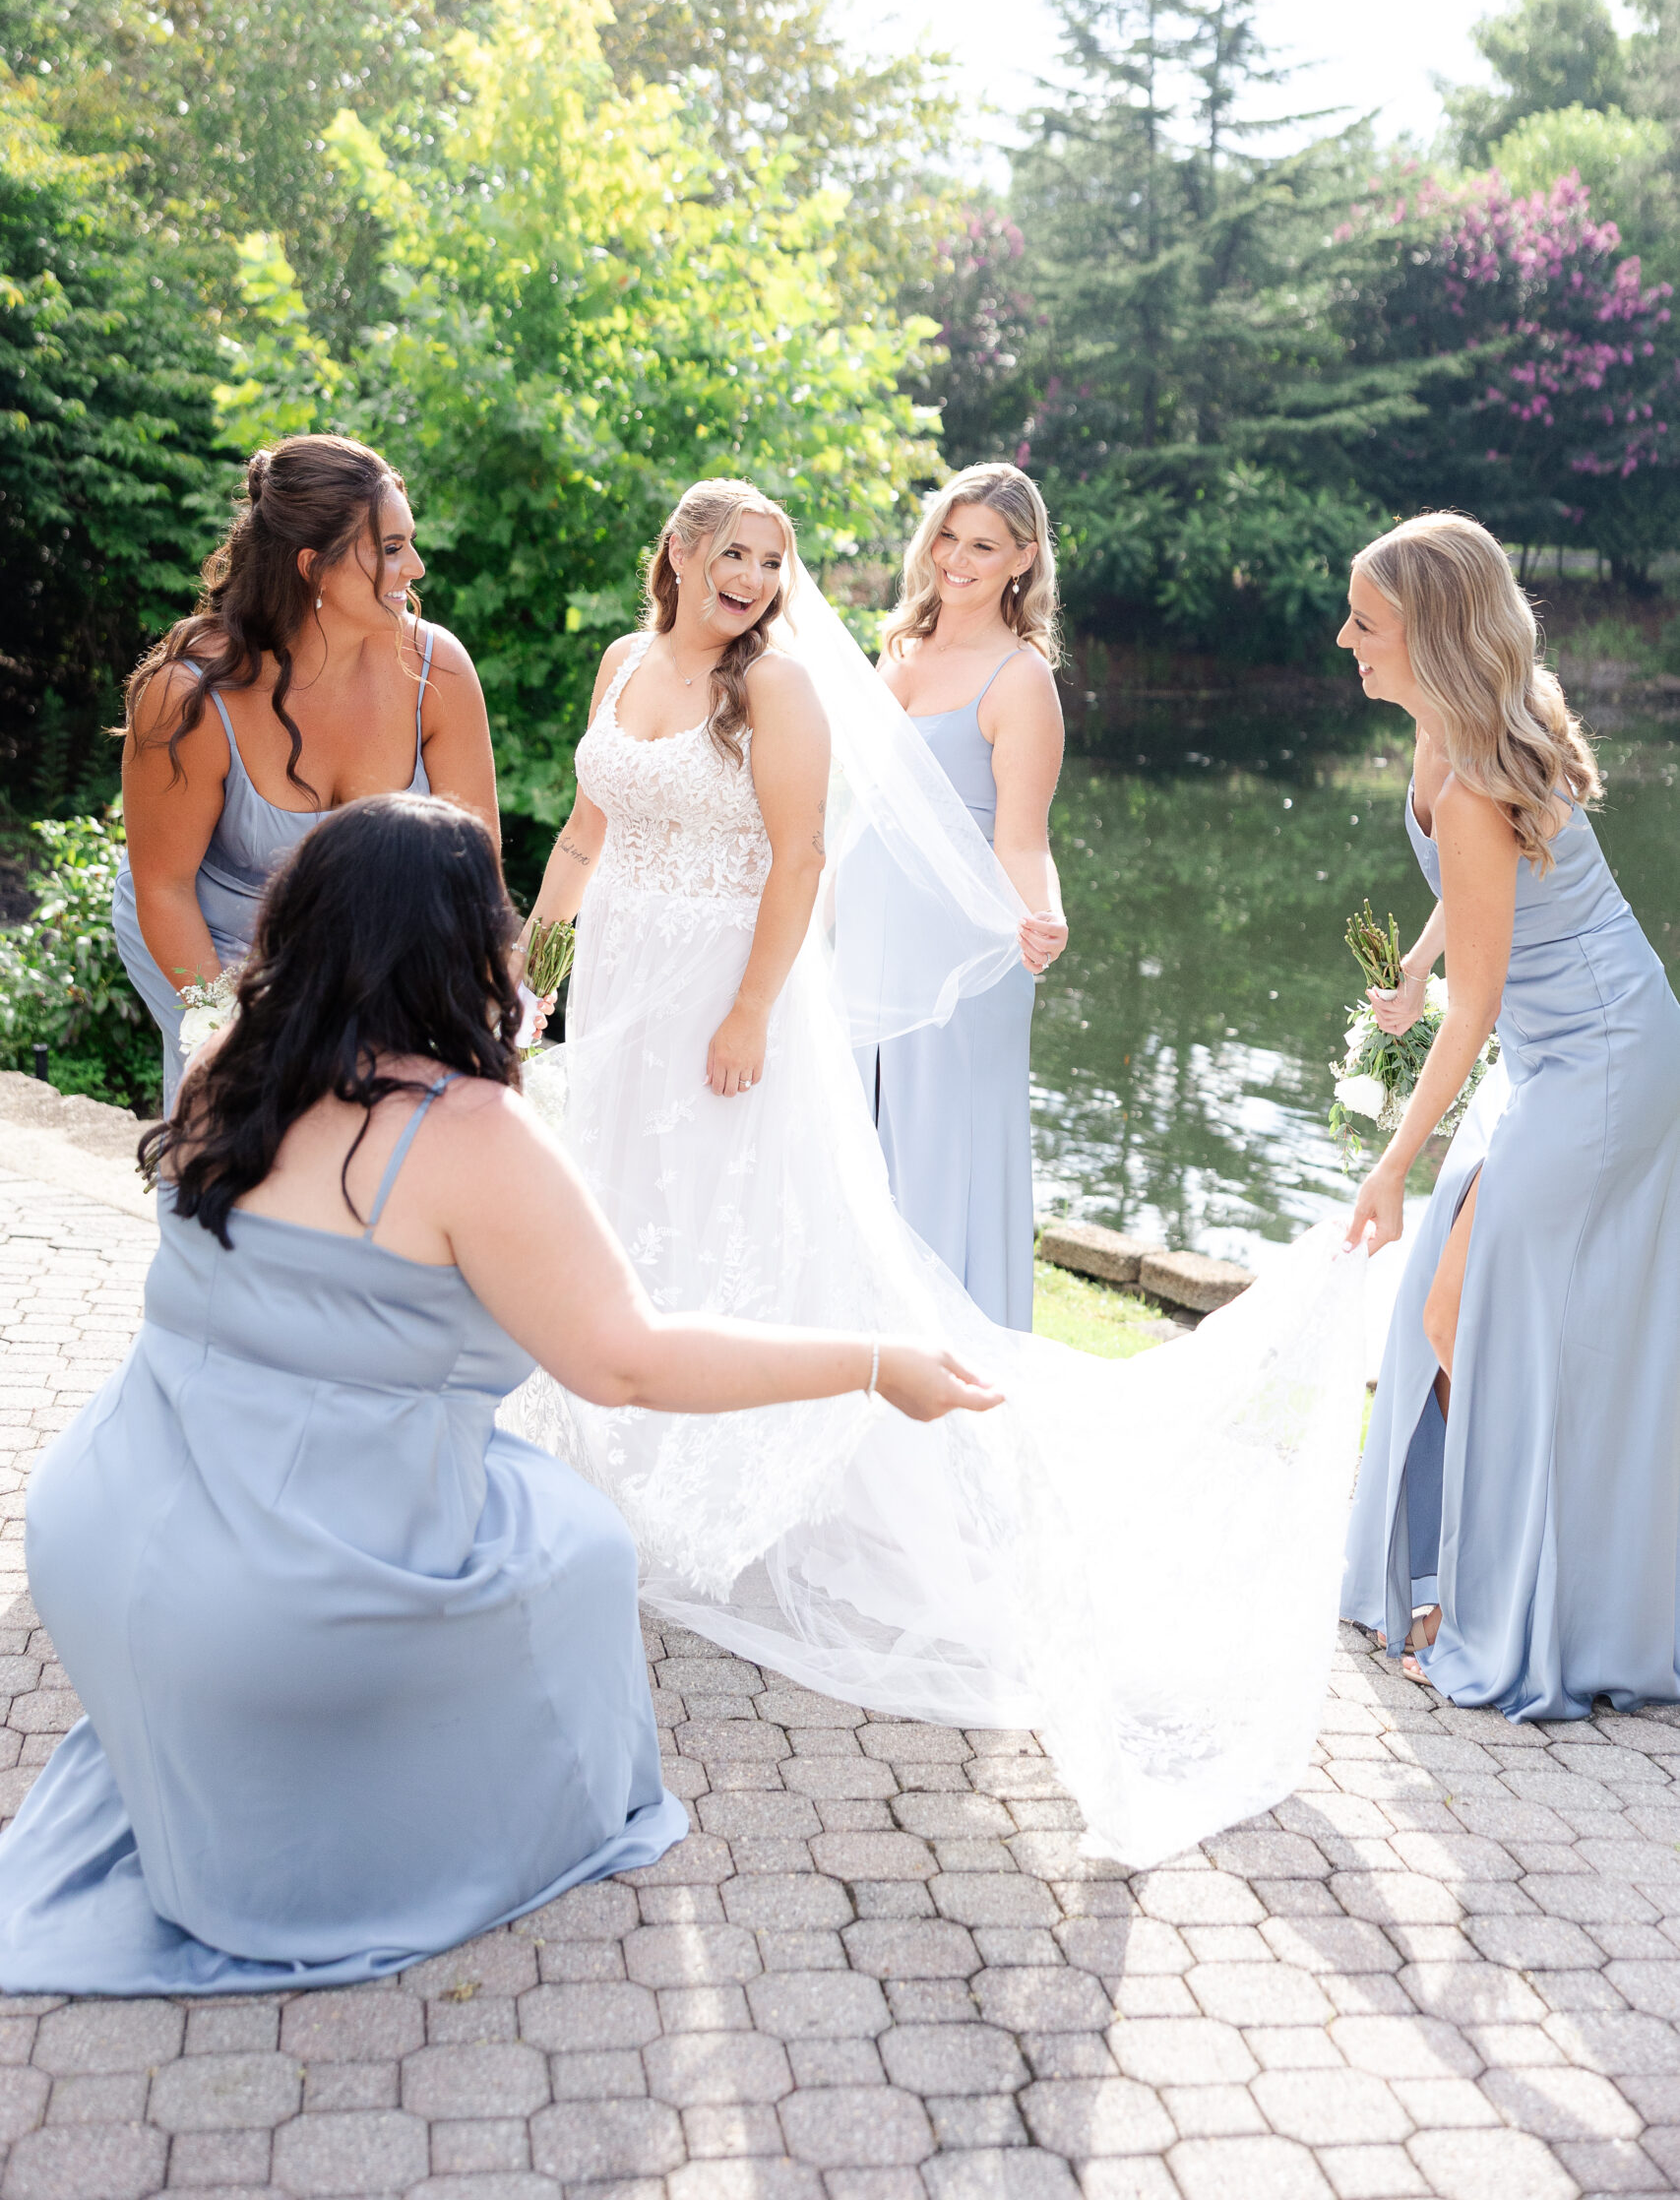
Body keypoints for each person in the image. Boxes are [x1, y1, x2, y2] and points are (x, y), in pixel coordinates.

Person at [509, 476, 1374, 1868]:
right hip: (618, 985)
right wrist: (535, 976)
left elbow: (800, 855)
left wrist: (745, 1011)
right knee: (630, 1219)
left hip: (731, 990)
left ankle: (778, 1480)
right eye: (729, 552)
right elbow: (578, 837)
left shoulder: (777, 686)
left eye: (770, 559)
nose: (749, 576)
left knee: (759, 1227)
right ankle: (634, 1456)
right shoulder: (621, 665)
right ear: (673, 551)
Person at [0, 793, 989, 1995]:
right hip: (269, 1583)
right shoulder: (466, 1131)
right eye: (499, 914)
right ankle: (431, 1825)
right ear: (453, 943)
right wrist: (878, 1364)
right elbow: (630, 1360)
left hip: (101, 1533)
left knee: (511, 1487)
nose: (516, 932)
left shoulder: (228, 1065)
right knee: (574, 1546)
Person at [1339, 514, 1680, 1716]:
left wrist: (1392, 1163)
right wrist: (1420, 965)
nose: (1346, 640)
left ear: (1429, 634)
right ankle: (1451, 1583)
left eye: (1367, 624)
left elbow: (1477, 1013)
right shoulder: (1448, 730)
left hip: (1597, 1054)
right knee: (1453, 1301)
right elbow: (1476, 899)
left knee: (1475, 1313)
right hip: (1556, 1048)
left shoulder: (1478, 773)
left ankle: (1501, 1610)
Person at [113, 432, 498, 1110]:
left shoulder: (437, 670)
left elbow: (475, 860)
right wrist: (229, 1033)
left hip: (370, 951)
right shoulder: (189, 697)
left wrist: (478, 992)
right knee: (248, 1132)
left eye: (409, 541)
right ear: (313, 567)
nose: (416, 567)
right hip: (218, 945)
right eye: (389, 548)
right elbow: (164, 888)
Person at [863, 464, 1068, 1327]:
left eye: (982, 545)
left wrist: (1046, 914)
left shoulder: (1019, 679)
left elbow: (1021, 837)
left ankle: (956, 1371)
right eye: (947, 536)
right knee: (863, 1160)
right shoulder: (897, 649)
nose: (956, 558)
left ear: (1021, 558)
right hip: (868, 952)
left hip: (961, 963)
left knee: (941, 1159)